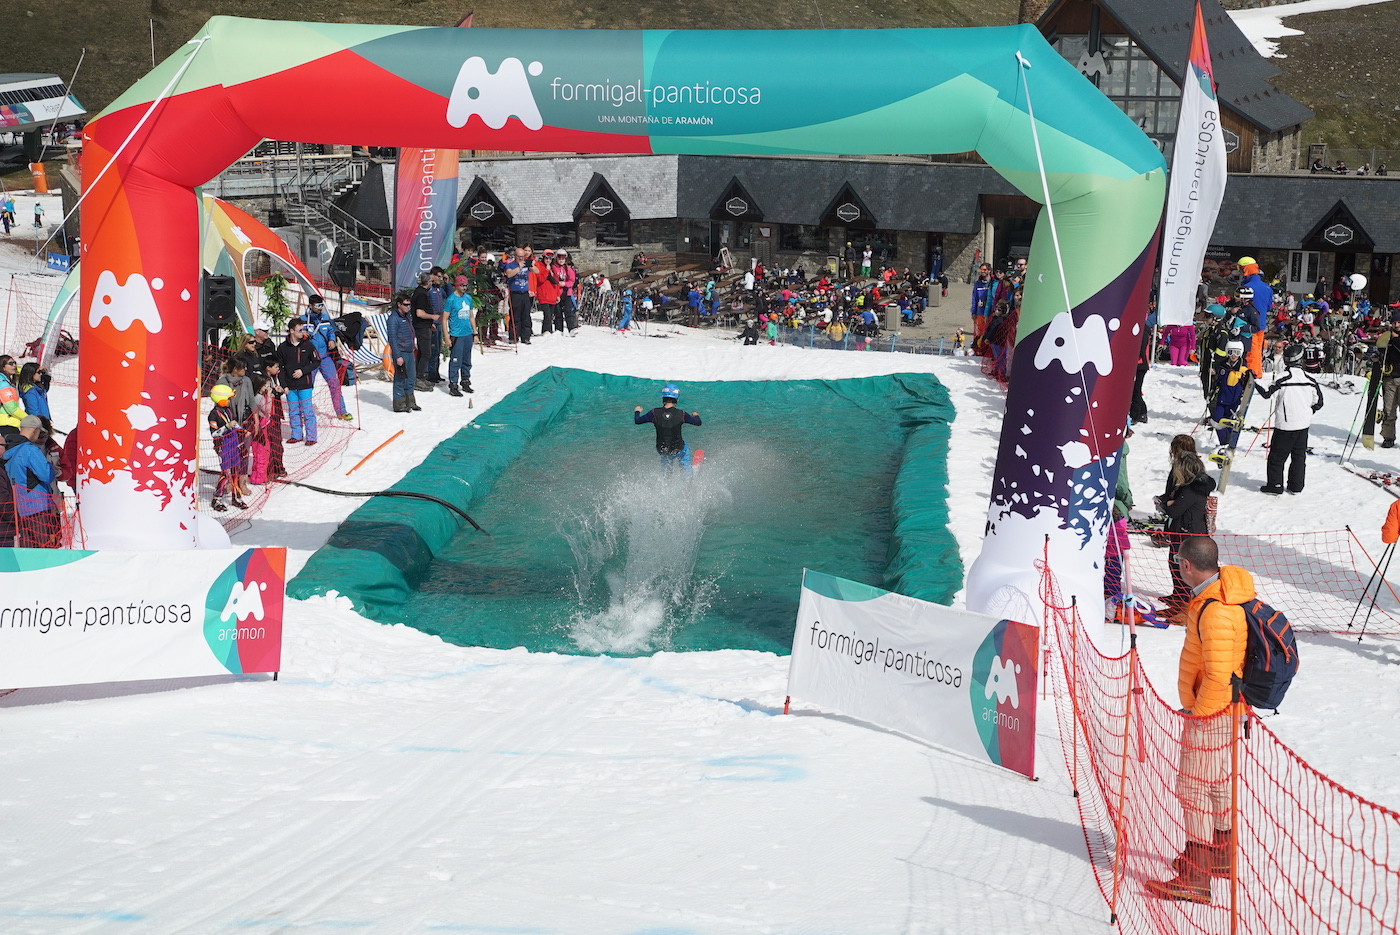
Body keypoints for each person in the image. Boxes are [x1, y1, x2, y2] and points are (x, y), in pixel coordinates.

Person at [1144, 535, 1250, 904]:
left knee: (1192, 786)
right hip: (1224, 709)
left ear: (1187, 566)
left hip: (1213, 711)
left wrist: (1198, 713)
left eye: (1178, 564)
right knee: (1216, 782)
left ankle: (1196, 877)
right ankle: (1219, 856)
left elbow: (1219, 673)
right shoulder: (1213, 596)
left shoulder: (1217, 609)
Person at [1159, 436, 1216, 616]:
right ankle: (1178, 596)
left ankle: (1183, 604)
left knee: (1184, 567)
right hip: (1181, 530)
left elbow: (1175, 510)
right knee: (1173, 563)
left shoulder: (1192, 489)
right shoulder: (1188, 486)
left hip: (1188, 533)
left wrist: (1167, 504)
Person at [1256, 343, 1323, 495]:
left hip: (1285, 425)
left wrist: (1253, 382)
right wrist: (1307, 412)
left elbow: (1267, 393)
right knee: (1299, 457)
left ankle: (1275, 485)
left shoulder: (1282, 378)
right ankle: (1296, 486)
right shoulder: (1310, 379)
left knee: (1277, 457)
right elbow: (1319, 402)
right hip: (1303, 425)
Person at [6, 414, 58, 546]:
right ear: (35, 430)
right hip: (37, 505)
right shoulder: (30, 450)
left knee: (27, 547)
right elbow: (46, 475)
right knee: (43, 546)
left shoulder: (7, 448)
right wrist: (52, 468)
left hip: (17, 505)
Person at [633, 383, 702, 472]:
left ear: (663, 397)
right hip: (678, 448)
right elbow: (698, 423)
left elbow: (637, 421)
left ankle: (666, 478)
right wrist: (696, 416)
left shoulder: (654, 413)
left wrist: (637, 411)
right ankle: (687, 472)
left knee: (666, 459)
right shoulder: (682, 414)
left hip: (662, 449)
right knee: (684, 449)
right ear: (677, 398)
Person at [306, 297, 353, 421]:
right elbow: (296, 333)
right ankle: (304, 412)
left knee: (335, 384)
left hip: (325, 357)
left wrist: (332, 339)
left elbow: (330, 331)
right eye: (317, 305)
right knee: (307, 386)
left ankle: (341, 411)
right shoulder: (303, 319)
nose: (320, 308)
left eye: (321, 305)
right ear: (310, 305)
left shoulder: (325, 318)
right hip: (310, 359)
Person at [276, 318, 319, 446]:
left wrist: (303, 371)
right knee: (293, 411)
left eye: (303, 329)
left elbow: (317, 361)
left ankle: (311, 436)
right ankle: (296, 434)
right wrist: (284, 385)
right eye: (300, 330)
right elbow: (280, 368)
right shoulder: (283, 347)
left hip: (305, 384)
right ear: (291, 331)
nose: (303, 332)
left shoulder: (308, 345)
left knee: (307, 411)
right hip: (290, 386)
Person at [206, 384, 247, 512]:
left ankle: (236, 497)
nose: (230, 401)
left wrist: (242, 430)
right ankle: (216, 499)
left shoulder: (228, 410)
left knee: (235, 471)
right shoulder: (213, 415)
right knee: (226, 474)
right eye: (228, 398)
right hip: (223, 446)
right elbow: (214, 433)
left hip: (233, 444)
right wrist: (227, 426)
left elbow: (234, 424)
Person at [1210, 341, 1252, 449]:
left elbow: (1249, 383)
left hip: (1233, 401)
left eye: (1237, 353)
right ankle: (1224, 442)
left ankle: (1229, 443)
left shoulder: (1243, 369)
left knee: (1229, 421)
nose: (1233, 355)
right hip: (1221, 399)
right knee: (1217, 420)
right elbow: (1218, 381)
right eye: (1231, 352)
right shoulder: (1223, 365)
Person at [411, 270, 446, 387]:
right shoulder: (421, 294)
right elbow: (419, 313)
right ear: (426, 282)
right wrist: (433, 317)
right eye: (430, 281)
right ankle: (419, 377)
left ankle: (419, 377)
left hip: (425, 325)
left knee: (423, 352)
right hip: (421, 328)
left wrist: (430, 322)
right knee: (426, 353)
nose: (432, 283)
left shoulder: (422, 292)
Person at [386, 294, 419, 412]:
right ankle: (399, 404)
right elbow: (393, 339)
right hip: (401, 352)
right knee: (400, 378)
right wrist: (398, 355)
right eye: (405, 305)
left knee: (411, 378)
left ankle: (410, 401)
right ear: (399, 304)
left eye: (409, 305)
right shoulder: (393, 319)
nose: (408, 307)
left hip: (409, 351)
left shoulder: (407, 317)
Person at [444, 275, 476, 396]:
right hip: (456, 334)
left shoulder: (468, 298)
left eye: (466, 285)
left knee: (467, 359)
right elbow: (444, 319)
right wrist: (446, 336)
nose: (464, 287)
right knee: (456, 359)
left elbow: (471, 316)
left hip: (467, 333)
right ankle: (453, 383)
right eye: (462, 285)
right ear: (456, 286)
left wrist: (475, 332)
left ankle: (465, 380)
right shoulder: (451, 300)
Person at [500, 246, 534, 345]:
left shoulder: (526, 264)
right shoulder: (510, 265)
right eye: (519, 256)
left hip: (525, 293)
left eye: (522, 256)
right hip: (515, 293)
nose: (521, 258)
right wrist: (519, 267)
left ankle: (526, 337)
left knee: (526, 315)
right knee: (515, 316)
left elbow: (536, 271)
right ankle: (514, 336)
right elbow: (509, 274)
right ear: (515, 256)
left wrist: (530, 265)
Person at [1379, 315, 1400, 448]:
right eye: (1394, 322)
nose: (1397, 325)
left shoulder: (1394, 338)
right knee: (1389, 410)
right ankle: (1388, 437)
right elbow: (1379, 351)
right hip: (1390, 378)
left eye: (1399, 322)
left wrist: (1395, 339)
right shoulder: (1387, 337)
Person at [535, 248, 563, 333]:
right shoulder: (539, 266)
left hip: (552, 295)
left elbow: (556, 283)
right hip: (543, 294)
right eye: (546, 258)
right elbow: (540, 279)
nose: (548, 260)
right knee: (547, 315)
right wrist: (546, 270)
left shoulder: (553, 268)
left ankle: (548, 331)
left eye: (550, 259)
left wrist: (558, 295)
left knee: (550, 315)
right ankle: (546, 331)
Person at [970, 263, 992, 344]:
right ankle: (977, 349)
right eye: (981, 270)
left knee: (987, 332)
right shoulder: (978, 283)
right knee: (978, 333)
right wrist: (973, 312)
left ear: (989, 271)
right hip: (979, 313)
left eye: (984, 270)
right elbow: (974, 298)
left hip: (989, 312)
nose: (982, 272)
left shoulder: (992, 283)